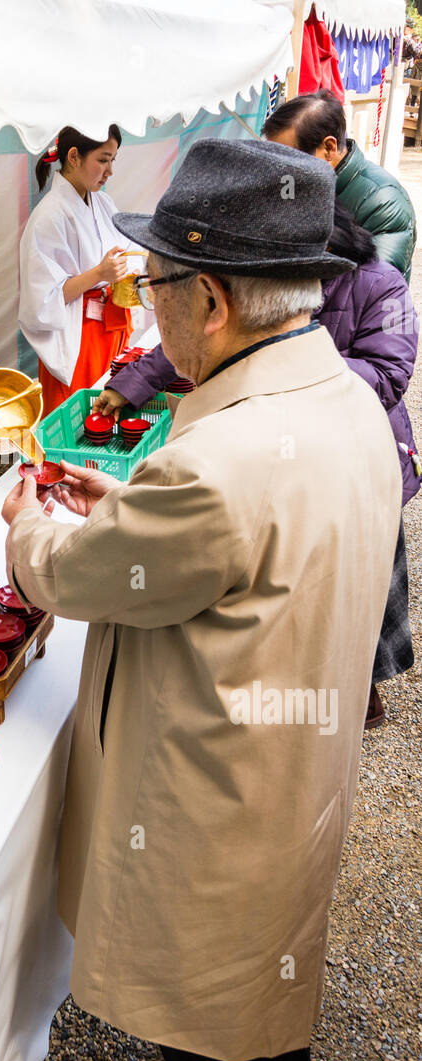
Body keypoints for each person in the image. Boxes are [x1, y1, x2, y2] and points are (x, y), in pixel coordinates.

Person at [1, 137, 400, 1061]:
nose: (149, 310)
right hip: (293, 789)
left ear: (211, 303)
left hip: (217, 814)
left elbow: (71, 576)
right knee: (268, 1035)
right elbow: (226, 548)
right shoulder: (344, 401)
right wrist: (131, 505)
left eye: (155, 288)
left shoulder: (216, 462)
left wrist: (25, 528)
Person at [99, 200, 419, 728]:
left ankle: (362, 693)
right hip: (283, 456)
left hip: (355, 461)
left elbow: (387, 375)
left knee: (357, 591)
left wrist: (282, 357)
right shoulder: (253, 295)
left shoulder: (380, 284)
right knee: (295, 592)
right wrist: (135, 381)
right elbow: (198, 323)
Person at [18, 124, 135, 414]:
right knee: (78, 417)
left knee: (110, 414)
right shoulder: (48, 216)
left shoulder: (104, 202)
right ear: (74, 156)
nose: (109, 171)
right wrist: (99, 274)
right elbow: (41, 300)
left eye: (113, 161)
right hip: (78, 336)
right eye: (103, 160)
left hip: (112, 324)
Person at [262, 88, 415, 279]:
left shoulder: (384, 201)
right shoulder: (296, 184)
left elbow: (373, 287)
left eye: (290, 157)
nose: (282, 168)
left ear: (329, 148)